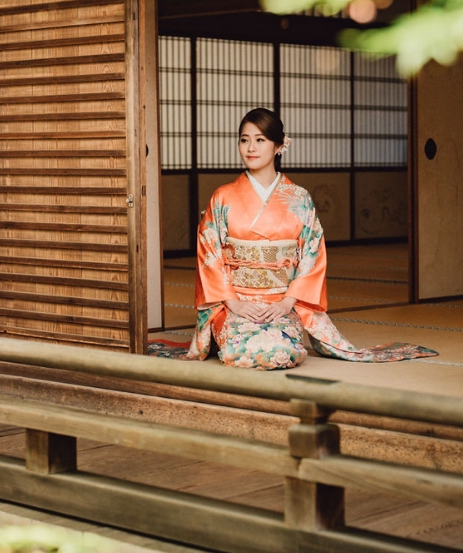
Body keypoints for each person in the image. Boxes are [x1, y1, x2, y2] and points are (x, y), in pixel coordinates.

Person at [184, 108, 435, 370]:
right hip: (236, 302)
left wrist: (287, 303)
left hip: (281, 302)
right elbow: (209, 254)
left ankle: (278, 330)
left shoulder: (299, 198)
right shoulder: (222, 197)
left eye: (260, 140)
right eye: (244, 139)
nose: (250, 148)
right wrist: (234, 303)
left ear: (279, 145)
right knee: (242, 352)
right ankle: (226, 334)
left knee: (283, 351)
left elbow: (312, 254)